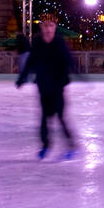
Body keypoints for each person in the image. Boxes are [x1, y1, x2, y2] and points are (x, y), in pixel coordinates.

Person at [16, 12, 76, 159]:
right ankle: (45, 146)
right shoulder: (37, 42)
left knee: (60, 117)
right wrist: (22, 78)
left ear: (55, 27)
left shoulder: (59, 42)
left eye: (51, 26)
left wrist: (71, 74)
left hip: (57, 86)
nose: (48, 29)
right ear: (42, 27)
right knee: (43, 118)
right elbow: (31, 60)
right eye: (46, 26)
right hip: (43, 86)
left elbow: (68, 60)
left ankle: (71, 145)